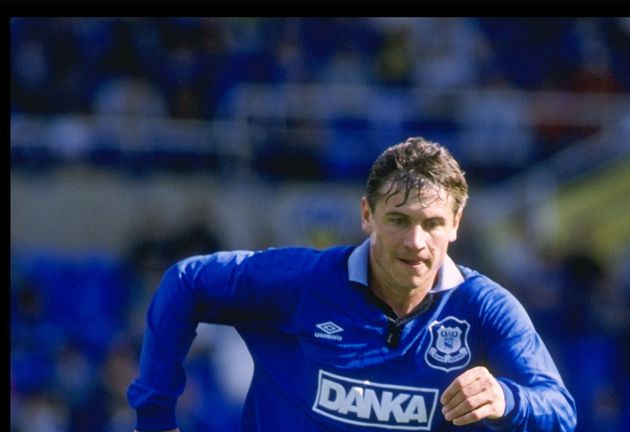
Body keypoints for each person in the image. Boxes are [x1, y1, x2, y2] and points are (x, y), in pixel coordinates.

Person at [126, 137, 577, 431]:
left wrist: (507, 399)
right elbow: (185, 282)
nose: (415, 241)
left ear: (456, 224)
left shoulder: (484, 309)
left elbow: (559, 411)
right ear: (367, 215)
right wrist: (155, 418)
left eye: (432, 223)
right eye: (398, 220)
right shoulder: (300, 283)